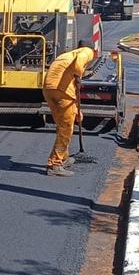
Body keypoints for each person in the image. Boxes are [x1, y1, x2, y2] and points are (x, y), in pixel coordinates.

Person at [42, 43, 96, 177]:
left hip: (49, 90)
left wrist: (77, 109)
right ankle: (55, 164)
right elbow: (79, 63)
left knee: (61, 125)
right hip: (62, 92)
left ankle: (64, 157)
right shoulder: (86, 51)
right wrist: (79, 77)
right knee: (66, 127)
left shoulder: (65, 56)